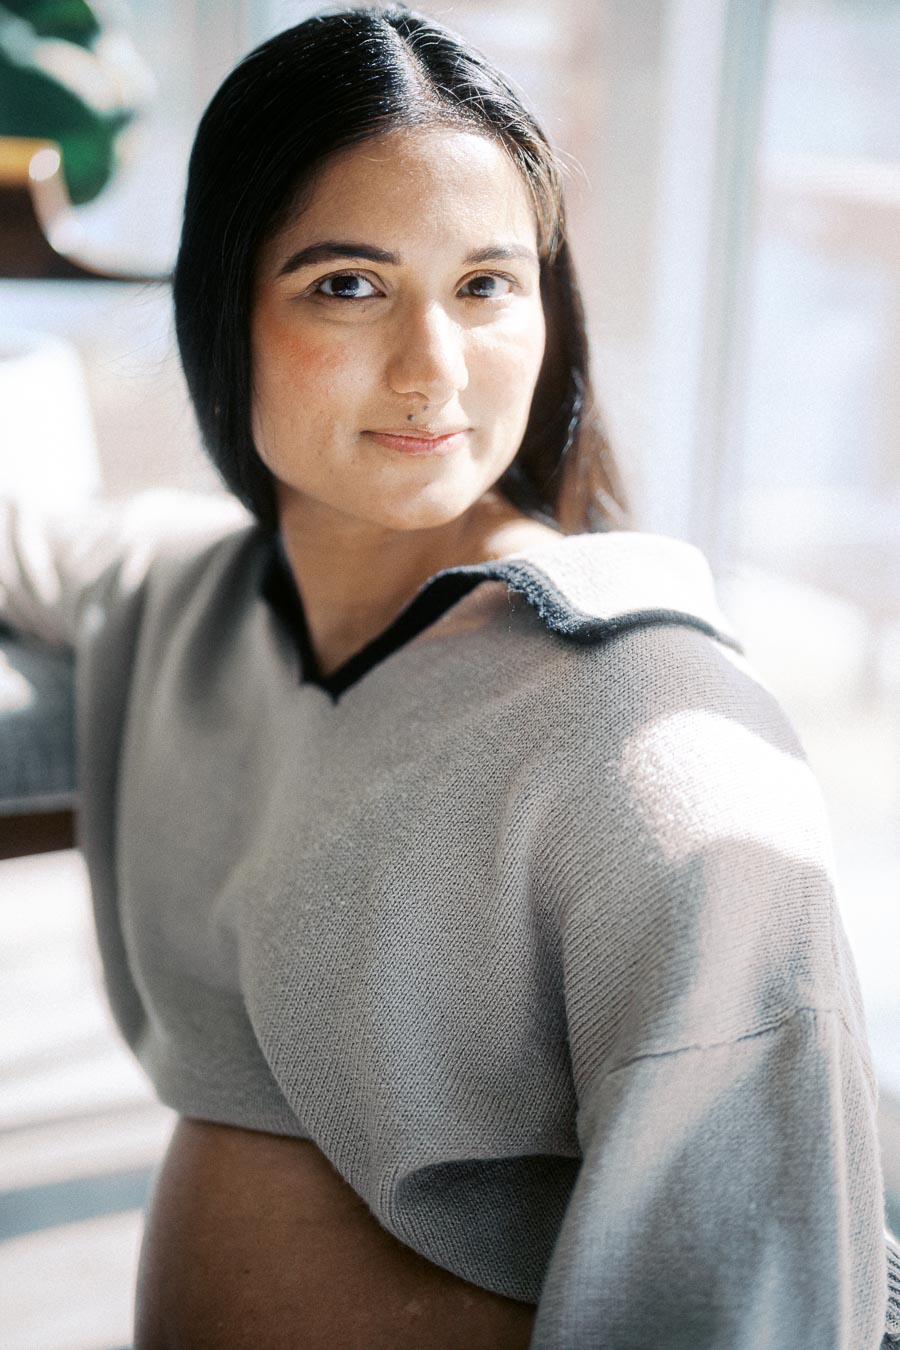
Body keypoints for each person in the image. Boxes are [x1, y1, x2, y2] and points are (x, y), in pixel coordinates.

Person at [1, 4, 898, 1347]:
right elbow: (34, 530)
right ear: (220, 310)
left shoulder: (662, 763)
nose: (433, 371)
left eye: (485, 286)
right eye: (347, 285)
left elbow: (752, 1298)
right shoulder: (188, 596)